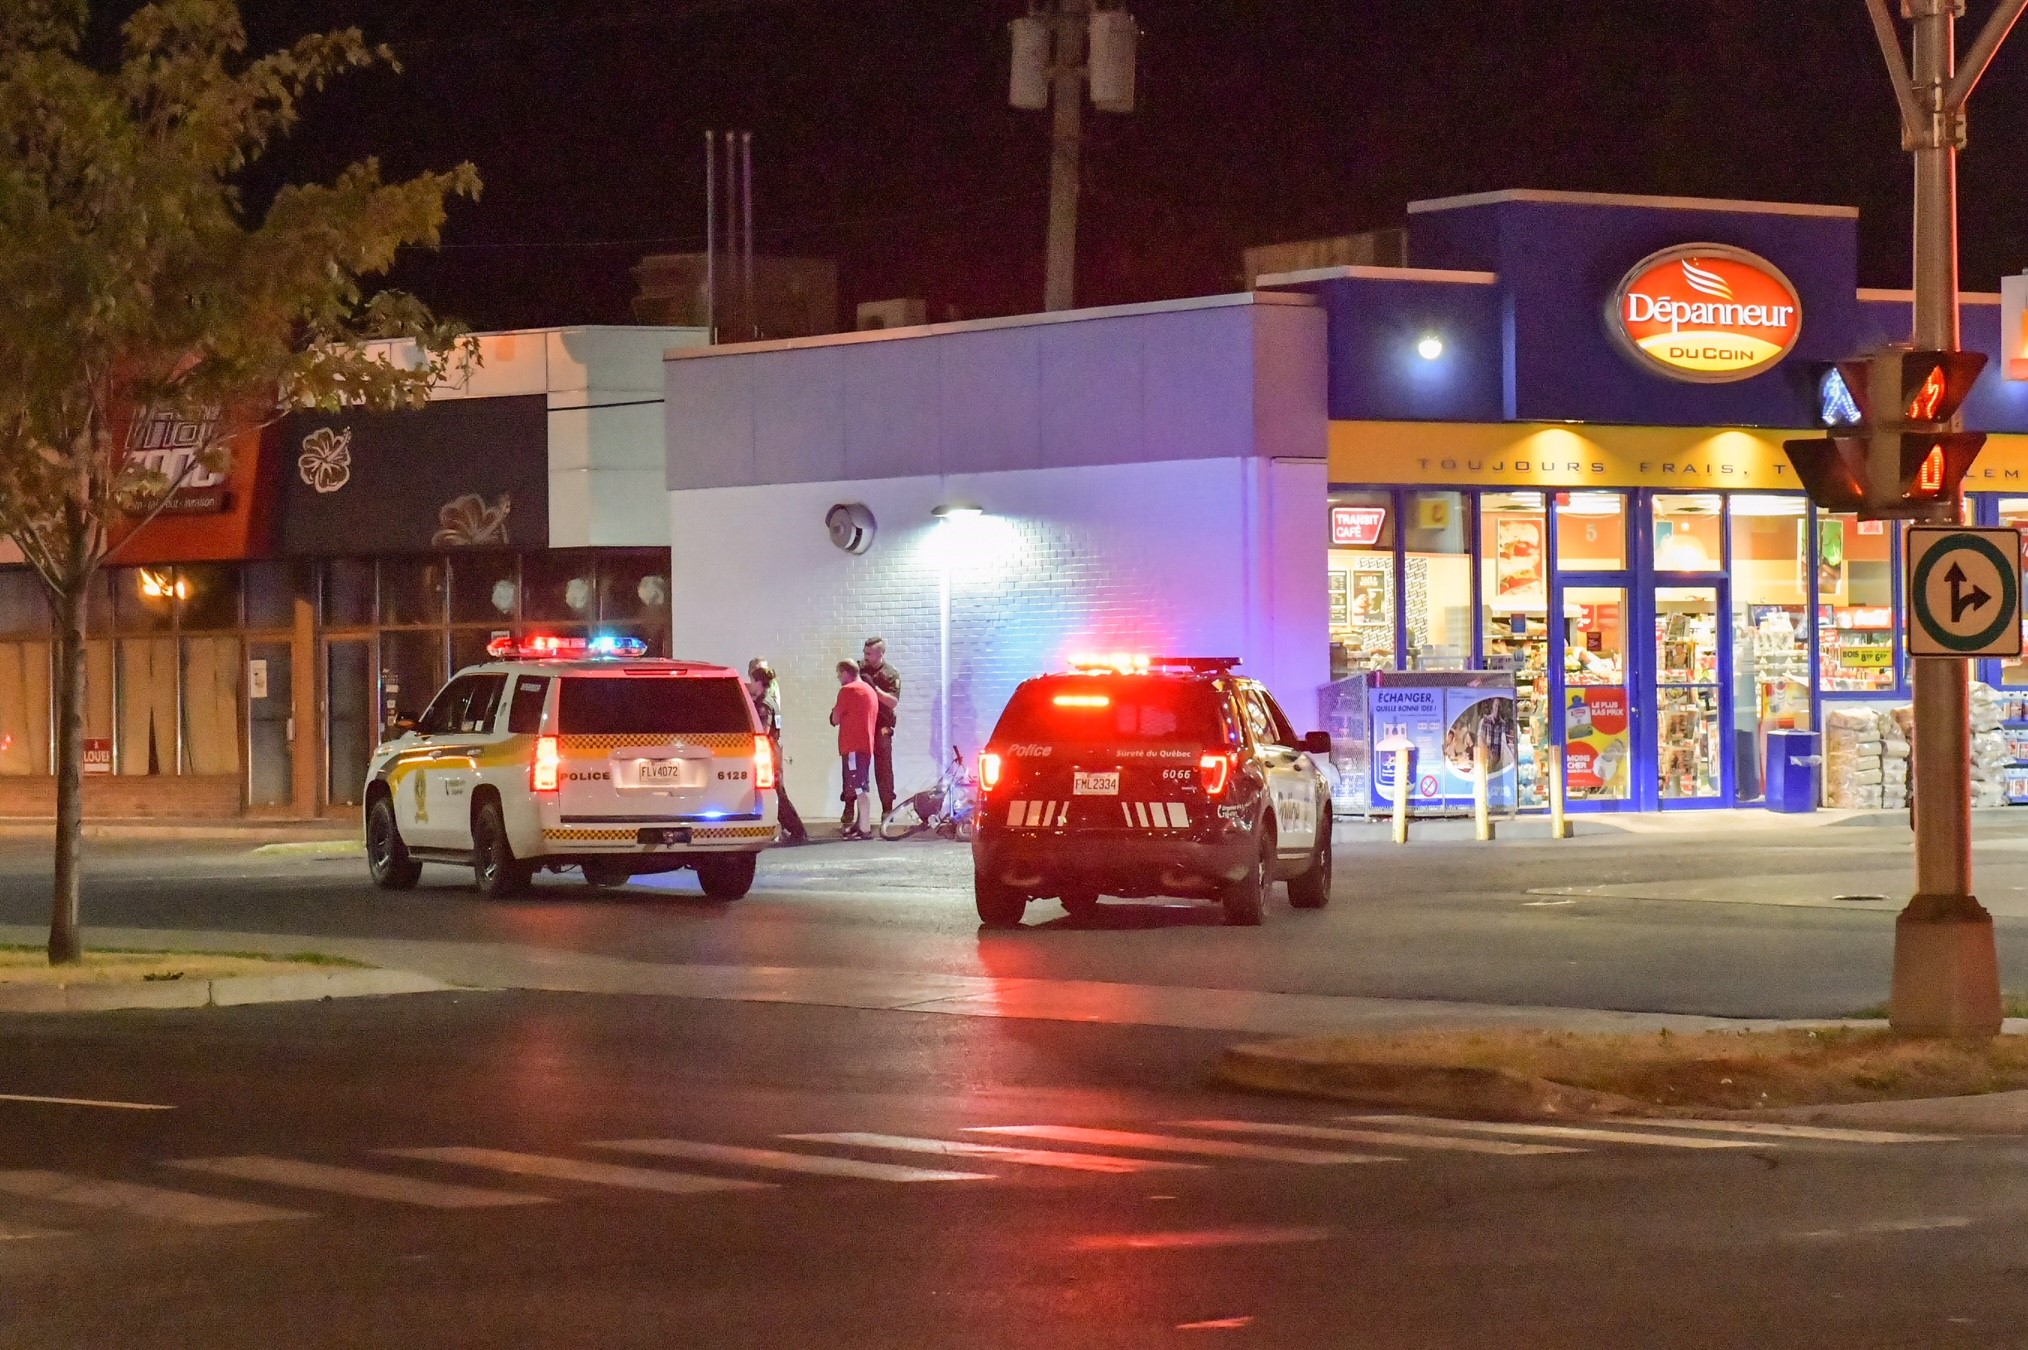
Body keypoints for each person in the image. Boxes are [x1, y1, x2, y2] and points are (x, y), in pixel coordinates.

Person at [747, 659, 807, 845]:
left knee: (777, 794)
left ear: (758, 682)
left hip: (768, 752)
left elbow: (763, 731)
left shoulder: (763, 705)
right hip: (773, 750)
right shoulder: (771, 700)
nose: (751, 685)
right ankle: (794, 829)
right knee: (778, 793)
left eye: (752, 681)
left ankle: (797, 830)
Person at [830, 659, 879, 840]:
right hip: (866, 745)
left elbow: (835, 718)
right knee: (861, 783)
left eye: (839, 673)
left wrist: (835, 712)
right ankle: (861, 824)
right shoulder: (869, 690)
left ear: (846, 672)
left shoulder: (848, 690)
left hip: (852, 745)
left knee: (860, 787)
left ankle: (865, 828)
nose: (838, 677)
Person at [858, 637, 902, 817]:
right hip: (862, 723)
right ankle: (855, 811)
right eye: (865, 652)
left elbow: (893, 702)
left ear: (880, 653)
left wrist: (874, 689)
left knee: (883, 768)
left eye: (869, 654)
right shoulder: (860, 669)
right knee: (856, 768)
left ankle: (887, 808)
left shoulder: (890, 674)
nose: (865, 656)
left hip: (881, 725)